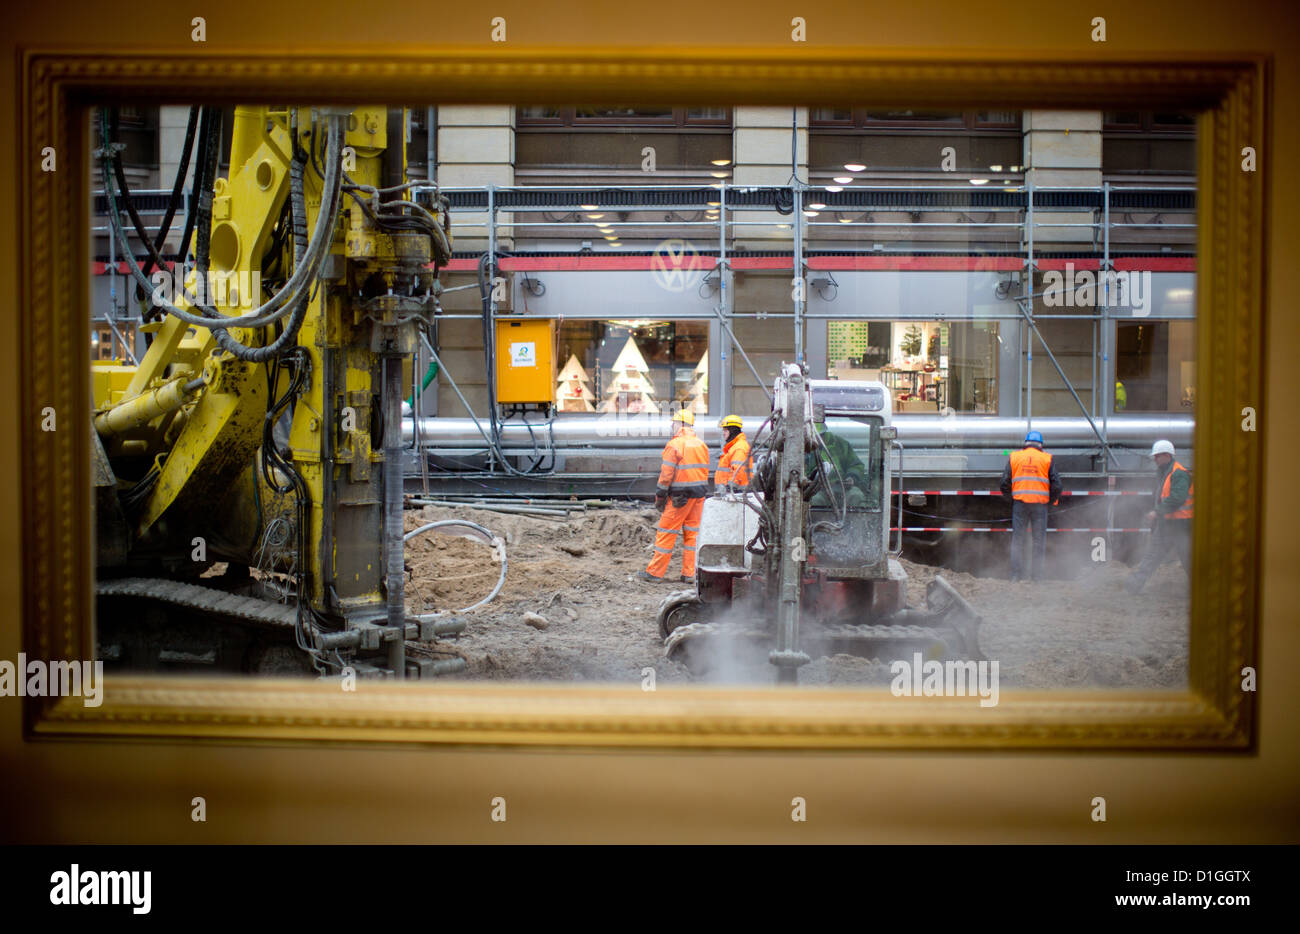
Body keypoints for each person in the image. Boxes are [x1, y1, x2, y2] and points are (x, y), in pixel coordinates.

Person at [637, 407, 711, 584]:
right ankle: (689, 574)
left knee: (666, 533)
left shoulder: (675, 444)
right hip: (698, 497)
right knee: (692, 535)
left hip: (679, 498)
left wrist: (660, 496)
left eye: (674, 422)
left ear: (681, 424)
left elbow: (666, 475)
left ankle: (655, 573)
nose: (672, 425)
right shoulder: (701, 444)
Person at [1124, 440, 1193, 594]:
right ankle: (1132, 587)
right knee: (1152, 555)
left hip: (1182, 524)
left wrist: (1157, 511)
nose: (1155, 459)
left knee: (1188, 559)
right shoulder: (1165, 472)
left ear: (1167, 455)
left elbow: (1177, 498)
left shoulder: (1178, 473)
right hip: (1168, 523)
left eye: (1157, 456)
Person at [1000, 430, 1061, 582]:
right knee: (1039, 542)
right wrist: (1050, 500)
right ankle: (1037, 578)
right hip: (1040, 506)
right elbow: (1057, 485)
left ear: (1026, 443)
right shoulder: (1047, 458)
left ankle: (1015, 576)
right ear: (1040, 445)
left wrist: (1013, 499)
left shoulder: (1015, 457)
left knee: (1018, 541)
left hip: (1019, 505)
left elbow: (1004, 484)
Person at [714, 414, 752, 491]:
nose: (723, 433)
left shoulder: (739, 447)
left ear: (732, 431)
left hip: (736, 494)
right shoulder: (735, 447)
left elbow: (738, 469)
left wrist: (731, 487)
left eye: (725, 430)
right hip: (733, 493)